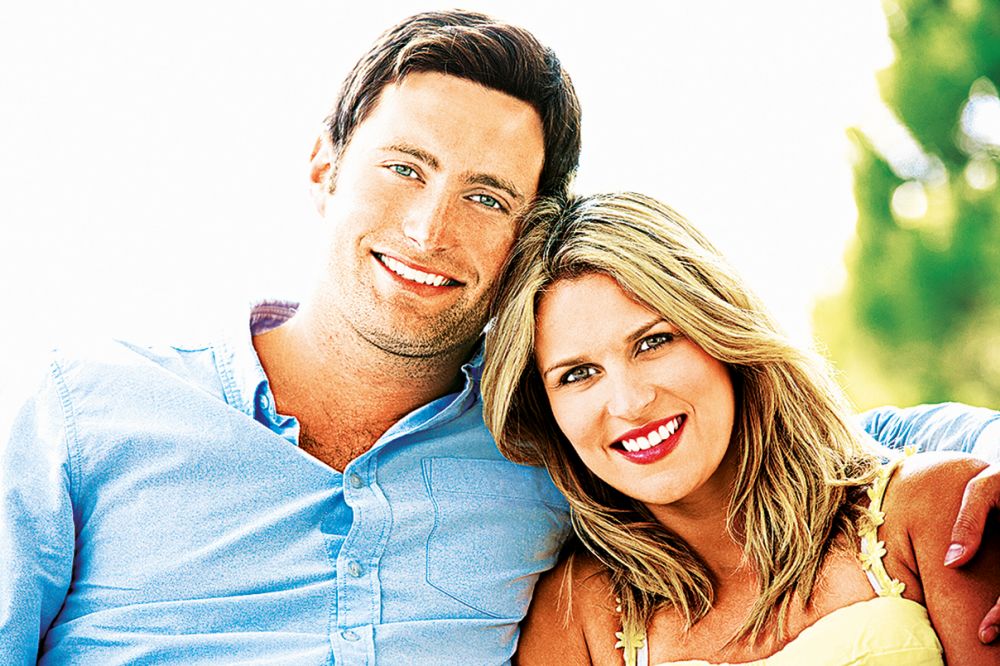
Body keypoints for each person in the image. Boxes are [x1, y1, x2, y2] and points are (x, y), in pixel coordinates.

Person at [1, 10, 998, 665]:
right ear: (323, 169)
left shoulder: (545, 439)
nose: (430, 227)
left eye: (486, 196)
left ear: (526, 234)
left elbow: (824, 444)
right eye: (404, 167)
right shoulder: (92, 411)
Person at [481, 192, 1000, 665]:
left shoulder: (937, 511)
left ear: (722, 332)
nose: (630, 403)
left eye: (654, 342)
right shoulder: (577, 615)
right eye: (577, 374)